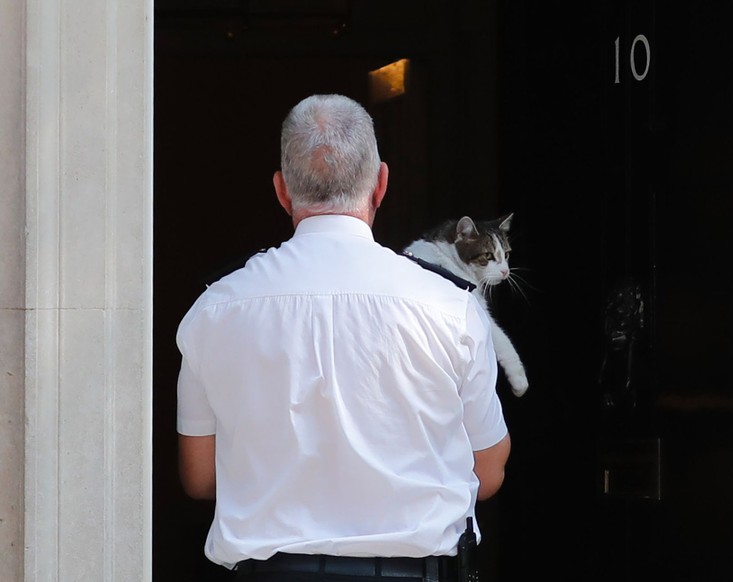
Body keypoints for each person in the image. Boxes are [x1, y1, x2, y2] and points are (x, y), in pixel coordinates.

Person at [175, 94, 511, 582]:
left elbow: (200, 477)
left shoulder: (215, 309)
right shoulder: (450, 307)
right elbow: (489, 471)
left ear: (282, 192)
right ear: (381, 185)